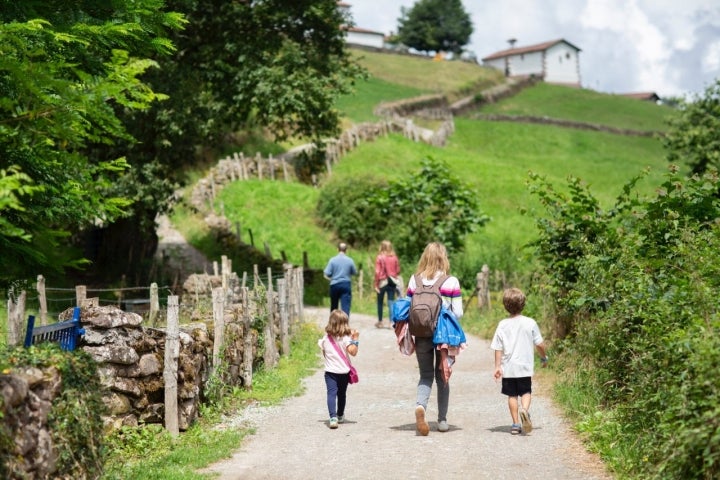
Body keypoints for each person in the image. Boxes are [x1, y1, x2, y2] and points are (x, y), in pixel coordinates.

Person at [405, 242, 463, 435]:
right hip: (444, 337)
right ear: (443, 258)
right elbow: (459, 313)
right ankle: (442, 420)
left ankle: (420, 406)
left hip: (421, 333)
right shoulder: (451, 281)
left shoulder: (415, 280)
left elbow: (407, 308)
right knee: (442, 377)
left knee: (425, 376)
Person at [491, 287, 548, 435]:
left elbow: (498, 347)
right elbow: (540, 344)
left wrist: (497, 367)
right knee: (526, 391)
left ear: (505, 305)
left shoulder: (502, 324)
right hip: (524, 367)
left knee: (512, 395)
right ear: (523, 304)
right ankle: (525, 409)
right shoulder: (530, 323)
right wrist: (543, 357)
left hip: (508, 368)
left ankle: (515, 424)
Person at [318, 309, 359, 429]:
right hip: (343, 372)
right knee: (341, 394)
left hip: (330, 372)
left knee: (331, 394)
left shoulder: (325, 338)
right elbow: (353, 352)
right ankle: (340, 415)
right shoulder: (346, 338)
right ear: (345, 324)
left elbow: (324, 352)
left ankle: (332, 418)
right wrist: (355, 339)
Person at [323, 242, 358, 316]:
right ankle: (344, 325)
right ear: (346, 250)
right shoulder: (350, 260)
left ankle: (333, 324)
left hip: (334, 284)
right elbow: (354, 272)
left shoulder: (332, 260)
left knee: (334, 306)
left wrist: (331, 278)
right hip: (346, 284)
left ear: (337, 249)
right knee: (345, 306)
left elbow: (326, 273)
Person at [373, 240, 401, 329]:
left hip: (382, 281)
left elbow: (377, 272)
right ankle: (391, 322)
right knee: (391, 302)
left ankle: (380, 322)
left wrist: (376, 284)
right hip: (392, 282)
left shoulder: (379, 257)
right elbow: (398, 270)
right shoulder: (394, 257)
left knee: (380, 302)